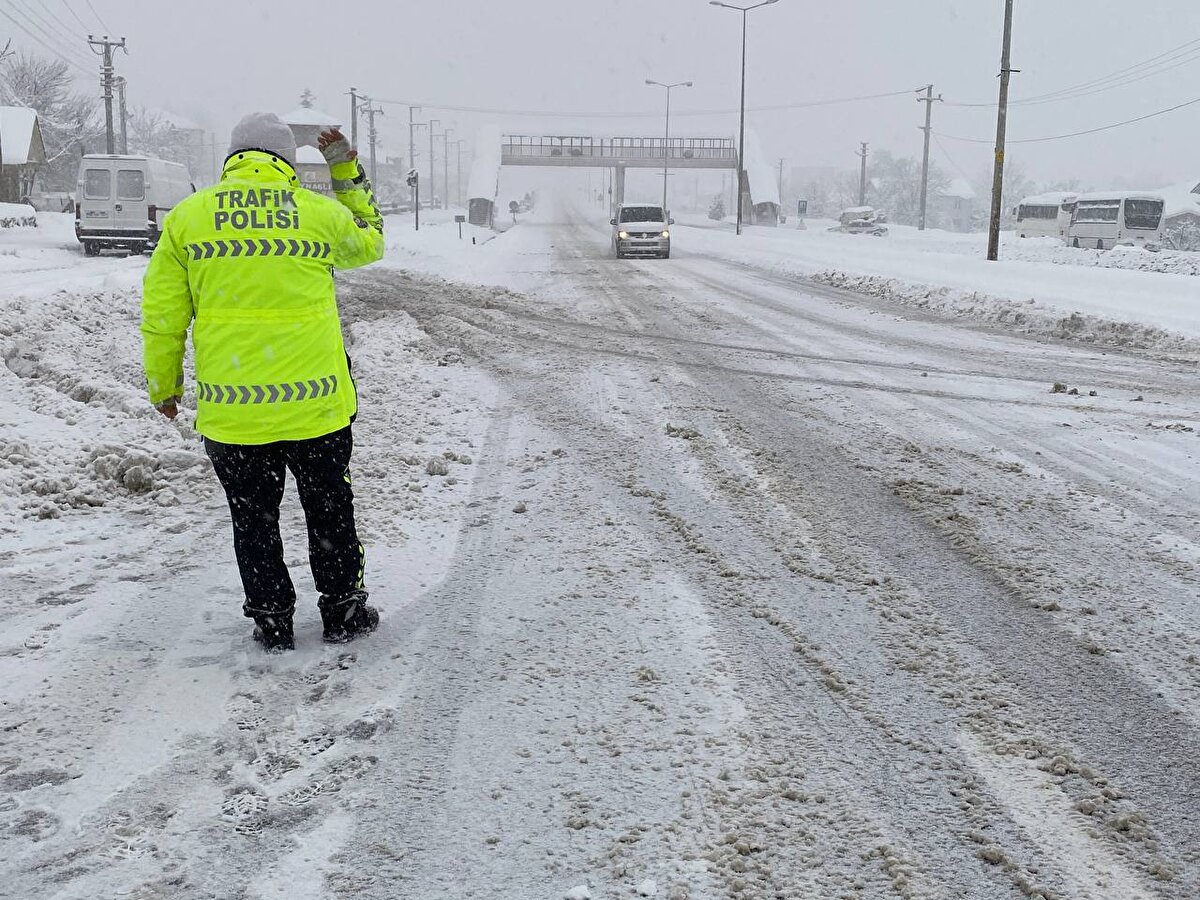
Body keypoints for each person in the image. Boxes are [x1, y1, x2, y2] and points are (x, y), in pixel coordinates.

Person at [141, 112, 385, 652]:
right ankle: (344, 610)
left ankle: (272, 618)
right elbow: (370, 243)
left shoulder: (188, 218)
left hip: (234, 416)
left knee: (252, 519)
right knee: (329, 510)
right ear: (287, 161)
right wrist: (344, 167)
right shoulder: (315, 214)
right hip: (316, 408)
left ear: (233, 157)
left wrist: (164, 384)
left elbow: (162, 314)